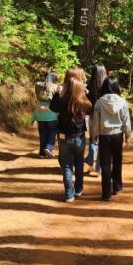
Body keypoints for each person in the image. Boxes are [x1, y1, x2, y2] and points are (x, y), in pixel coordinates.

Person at [50, 68, 92, 202]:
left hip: (64, 136)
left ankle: (69, 194)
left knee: (67, 166)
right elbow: (90, 109)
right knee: (79, 163)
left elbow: (52, 107)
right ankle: (78, 189)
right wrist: (87, 93)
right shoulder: (83, 99)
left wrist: (57, 94)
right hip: (79, 136)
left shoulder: (62, 98)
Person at [91, 76, 131, 201]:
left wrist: (94, 135)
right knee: (117, 161)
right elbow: (126, 120)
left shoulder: (99, 102)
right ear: (116, 86)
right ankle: (117, 186)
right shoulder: (122, 102)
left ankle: (106, 193)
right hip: (118, 135)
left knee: (105, 164)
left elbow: (95, 121)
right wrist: (127, 136)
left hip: (104, 136)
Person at [85, 64, 108, 176]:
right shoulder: (107, 86)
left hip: (92, 116)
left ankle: (91, 164)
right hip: (105, 117)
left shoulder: (89, 87)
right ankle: (100, 168)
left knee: (93, 139)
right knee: (103, 140)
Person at [31, 75, 59, 158]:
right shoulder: (56, 87)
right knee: (53, 132)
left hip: (40, 115)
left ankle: (41, 154)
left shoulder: (39, 86)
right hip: (52, 115)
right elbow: (57, 102)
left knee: (42, 135)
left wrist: (33, 118)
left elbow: (37, 105)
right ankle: (48, 147)